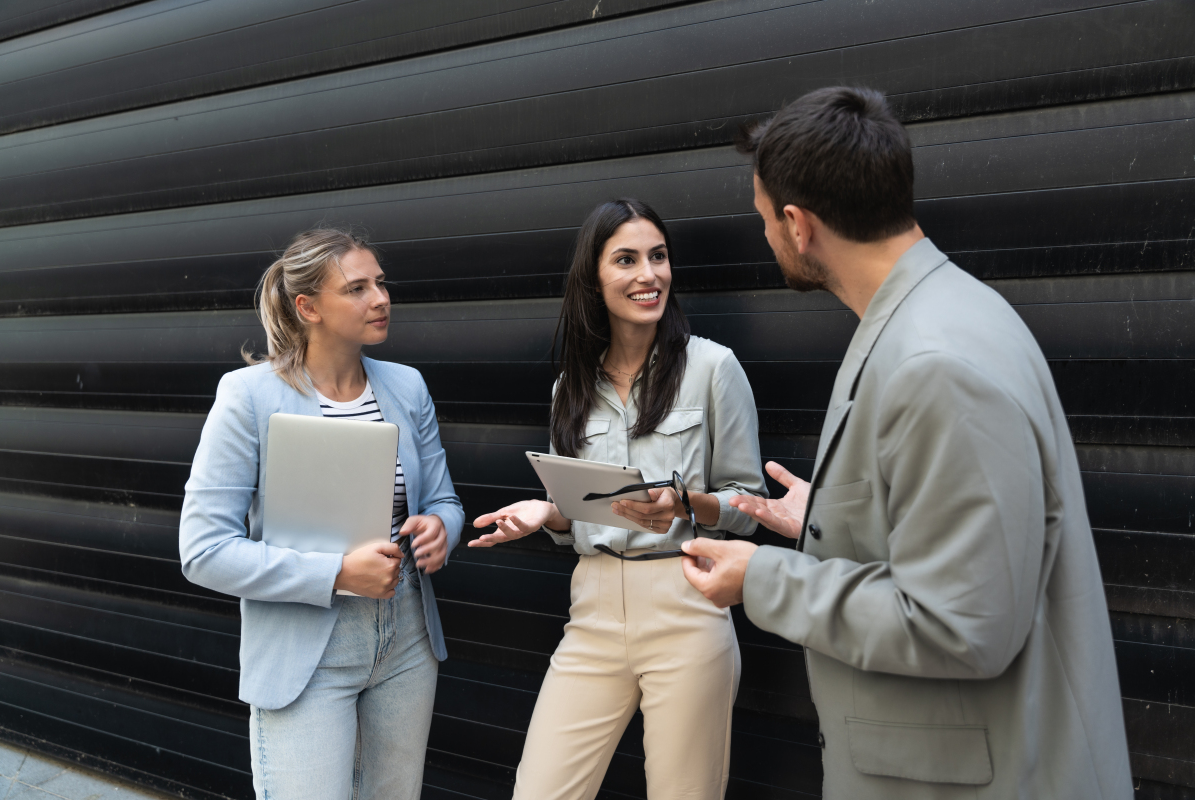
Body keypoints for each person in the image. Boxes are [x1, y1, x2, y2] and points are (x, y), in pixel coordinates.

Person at [681, 87, 1133, 798]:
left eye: (764, 217)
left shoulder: (935, 366)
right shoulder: (946, 313)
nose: (765, 234)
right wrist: (830, 527)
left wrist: (760, 578)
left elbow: (960, 624)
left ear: (799, 225)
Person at [470, 198, 767, 800]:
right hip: (594, 609)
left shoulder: (713, 367)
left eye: (658, 257)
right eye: (627, 260)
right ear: (594, 279)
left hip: (685, 602)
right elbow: (583, 508)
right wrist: (544, 514)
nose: (648, 275)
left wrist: (686, 503)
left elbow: (750, 504)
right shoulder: (569, 388)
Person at [179, 227, 463, 799]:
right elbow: (203, 552)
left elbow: (445, 502)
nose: (380, 299)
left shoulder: (406, 387)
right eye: (357, 288)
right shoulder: (249, 396)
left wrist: (442, 530)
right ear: (308, 307)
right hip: (305, 647)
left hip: (405, 636)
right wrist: (335, 572)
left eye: (380, 283)